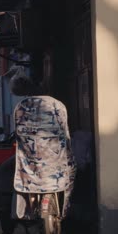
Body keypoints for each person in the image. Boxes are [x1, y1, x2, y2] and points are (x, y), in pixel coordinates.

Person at [11, 76, 76, 219]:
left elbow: (17, 132)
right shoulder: (57, 105)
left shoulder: (21, 106)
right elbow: (65, 131)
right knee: (71, 170)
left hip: (30, 159)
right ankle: (64, 211)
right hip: (55, 158)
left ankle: (29, 207)